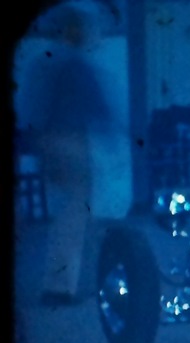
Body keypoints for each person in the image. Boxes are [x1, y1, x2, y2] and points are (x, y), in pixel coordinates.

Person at [15, 3, 109, 305]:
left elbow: (29, 107)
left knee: (60, 212)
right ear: (76, 30)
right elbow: (98, 108)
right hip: (71, 142)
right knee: (74, 215)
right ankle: (62, 287)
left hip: (46, 142)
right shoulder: (75, 64)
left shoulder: (41, 60)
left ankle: (59, 280)